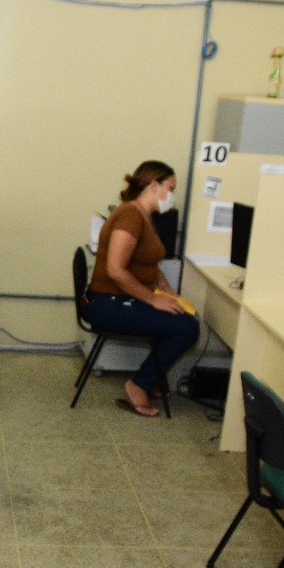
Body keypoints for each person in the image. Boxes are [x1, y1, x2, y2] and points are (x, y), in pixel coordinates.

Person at [84, 160, 200, 418]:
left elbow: (147, 261)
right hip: (107, 304)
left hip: (117, 300)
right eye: (171, 187)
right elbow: (116, 269)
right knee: (187, 328)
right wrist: (153, 300)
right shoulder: (130, 216)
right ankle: (139, 384)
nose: (173, 195)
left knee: (182, 315)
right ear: (153, 185)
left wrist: (166, 290)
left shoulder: (143, 215)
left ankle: (153, 377)